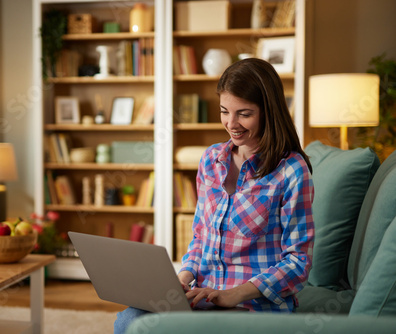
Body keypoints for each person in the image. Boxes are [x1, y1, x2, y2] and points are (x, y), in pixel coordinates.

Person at [114, 58, 314, 332]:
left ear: (269, 111)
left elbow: (298, 262)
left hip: (253, 307)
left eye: (244, 114)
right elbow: (201, 237)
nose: (231, 124)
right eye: (224, 111)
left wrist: (236, 293)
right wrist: (183, 277)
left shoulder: (291, 170)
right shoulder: (210, 159)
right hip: (202, 297)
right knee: (130, 318)